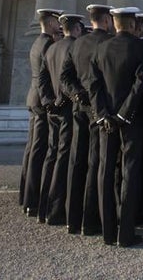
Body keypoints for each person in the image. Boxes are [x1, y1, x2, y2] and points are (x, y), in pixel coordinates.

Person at [89, 7, 143, 247]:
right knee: (130, 172)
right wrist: (124, 114)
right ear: (133, 25)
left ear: (114, 24)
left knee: (105, 172)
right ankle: (126, 232)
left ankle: (108, 232)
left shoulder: (100, 48)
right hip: (131, 119)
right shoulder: (141, 48)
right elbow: (140, 83)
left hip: (106, 120)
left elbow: (94, 85)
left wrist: (103, 114)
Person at [60, 4, 112, 235]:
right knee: (96, 162)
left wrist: (76, 94)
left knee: (76, 160)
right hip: (100, 109)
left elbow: (65, 77)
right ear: (107, 19)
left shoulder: (77, 43)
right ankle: (91, 220)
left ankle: (72, 218)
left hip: (79, 108)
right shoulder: (109, 43)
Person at [40, 12, 83, 225]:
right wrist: (66, 100)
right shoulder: (75, 47)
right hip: (68, 109)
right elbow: (70, 79)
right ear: (77, 29)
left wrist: (50, 101)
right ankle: (58, 210)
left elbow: (43, 79)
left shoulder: (51, 48)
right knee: (66, 158)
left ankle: (44, 207)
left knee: (52, 155)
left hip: (54, 109)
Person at [22, 8, 61, 218]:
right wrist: (51, 101)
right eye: (57, 21)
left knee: (33, 149)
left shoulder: (38, 41)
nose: (59, 24)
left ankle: (27, 196)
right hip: (42, 100)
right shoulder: (48, 44)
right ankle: (34, 199)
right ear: (52, 22)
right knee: (40, 150)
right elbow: (47, 76)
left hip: (34, 97)